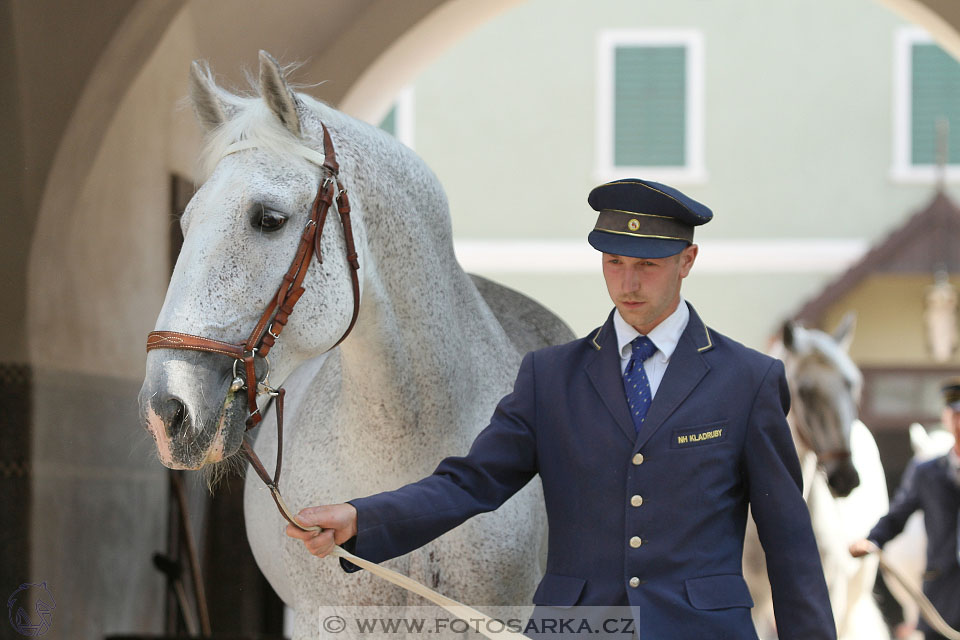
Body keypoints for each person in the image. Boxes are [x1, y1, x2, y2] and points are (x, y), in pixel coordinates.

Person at [286, 179, 836, 639]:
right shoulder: (549, 378)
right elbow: (470, 483)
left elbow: (789, 541)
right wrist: (362, 518)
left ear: (687, 259)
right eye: (614, 261)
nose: (628, 282)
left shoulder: (749, 380)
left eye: (647, 263)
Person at [850, 378, 960, 640]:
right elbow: (898, 514)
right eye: (955, 414)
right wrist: (872, 539)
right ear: (946, 419)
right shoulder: (927, 472)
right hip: (940, 598)